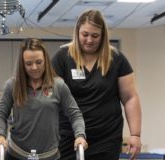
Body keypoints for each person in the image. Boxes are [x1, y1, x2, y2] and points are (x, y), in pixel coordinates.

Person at [51, 9, 142, 160]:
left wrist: (135, 135)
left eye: (95, 36)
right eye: (85, 34)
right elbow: (50, 98)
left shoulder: (116, 59)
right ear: (77, 32)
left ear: (103, 36)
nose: (89, 40)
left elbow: (130, 97)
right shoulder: (62, 57)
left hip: (106, 138)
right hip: (69, 137)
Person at [0, 38, 88, 160]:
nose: (34, 67)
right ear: (22, 64)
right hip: (16, 155)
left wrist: (80, 135)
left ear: (46, 61)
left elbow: (75, 114)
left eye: (39, 62)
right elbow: (0, 115)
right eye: (28, 63)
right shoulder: (12, 86)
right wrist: (0, 135)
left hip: (50, 156)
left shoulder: (58, 86)